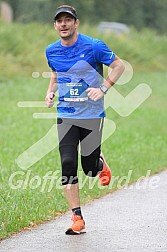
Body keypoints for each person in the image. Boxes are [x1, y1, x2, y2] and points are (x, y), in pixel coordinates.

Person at [45, 5, 125, 235]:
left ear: (76, 23)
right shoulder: (51, 50)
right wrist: (50, 91)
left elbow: (119, 66)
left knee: (89, 169)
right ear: (55, 25)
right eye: (59, 21)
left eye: (67, 20)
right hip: (66, 115)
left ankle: (98, 162)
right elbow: (55, 72)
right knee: (67, 163)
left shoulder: (93, 45)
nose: (63, 24)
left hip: (91, 115)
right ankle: (77, 217)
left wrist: (103, 88)